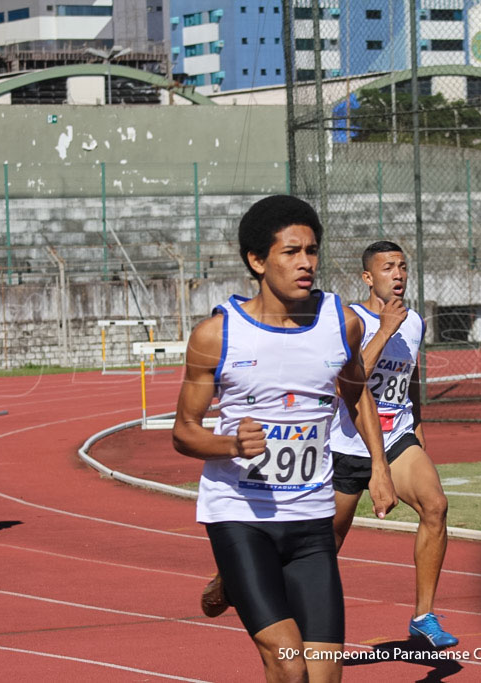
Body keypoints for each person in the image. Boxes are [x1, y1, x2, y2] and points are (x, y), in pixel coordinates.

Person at [172, 195, 397, 681]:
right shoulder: (217, 334)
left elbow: (357, 396)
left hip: (310, 520)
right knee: (289, 665)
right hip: (241, 514)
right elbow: (184, 432)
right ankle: (235, 576)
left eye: (312, 251)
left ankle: (234, 586)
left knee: (323, 673)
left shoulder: (344, 323)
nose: (306, 264)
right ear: (257, 260)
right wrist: (231, 445)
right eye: (291, 252)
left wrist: (379, 466)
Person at [329, 241, 457, 650]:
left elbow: (410, 379)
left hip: (397, 438)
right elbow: (348, 382)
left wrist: (418, 428)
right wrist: (384, 328)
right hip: (348, 444)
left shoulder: (415, 322)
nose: (398, 275)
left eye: (403, 267)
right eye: (388, 268)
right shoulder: (351, 320)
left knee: (435, 506)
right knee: (324, 544)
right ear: (368, 277)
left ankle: (423, 618)